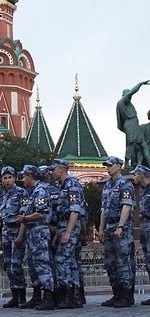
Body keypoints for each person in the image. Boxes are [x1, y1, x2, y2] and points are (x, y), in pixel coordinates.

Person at [15, 164, 55, 311]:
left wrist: (24, 218)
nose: (23, 179)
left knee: (42, 264)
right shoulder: (33, 192)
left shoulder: (41, 191)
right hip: (32, 232)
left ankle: (49, 297)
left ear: (30, 176)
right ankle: (37, 296)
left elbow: (41, 213)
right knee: (33, 266)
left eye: (24, 176)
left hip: (39, 231)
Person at [98, 156, 135, 307]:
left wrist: (120, 226)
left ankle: (127, 296)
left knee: (123, 262)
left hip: (122, 228)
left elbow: (127, 206)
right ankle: (117, 294)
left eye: (110, 165)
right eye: (106, 165)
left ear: (119, 166)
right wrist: (101, 228)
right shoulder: (107, 186)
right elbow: (103, 210)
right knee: (110, 263)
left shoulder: (124, 184)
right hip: (109, 227)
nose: (108, 168)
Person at [49, 158, 85, 309]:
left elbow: (75, 210)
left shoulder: (72, 184)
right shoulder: (61, 186)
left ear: (61, 169)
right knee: (70, 261)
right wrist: (59, 232)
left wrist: (68, 232)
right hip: (63, 224)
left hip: (70, 225)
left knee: (62, 259)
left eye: (54, 169)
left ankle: (70, 295)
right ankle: (74, 296)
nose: (52, 172)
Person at [0, 165, 28, 308]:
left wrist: (21, 234)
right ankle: (14, 296)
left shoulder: (21, 193)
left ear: (14, 178)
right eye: (5, 178)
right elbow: (2, 219)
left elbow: (24, 216)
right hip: (6, 232)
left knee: (16, 265)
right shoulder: (3, 195)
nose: (8, 180)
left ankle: (22, 296)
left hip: (17, 230)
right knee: (8, 266)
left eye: (10, 177)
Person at [116, 80, 150, 167]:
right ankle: (127, 163)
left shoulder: (123, 104)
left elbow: (120, 123)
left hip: (132, 124)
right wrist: (141, 84)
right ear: (125, 94)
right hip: (131, 124)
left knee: (143, 146)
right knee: (131, 144)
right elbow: (132, 91)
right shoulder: (123, 101)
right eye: (128, 93)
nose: (130, 96)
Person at [130, 164, 150, 305]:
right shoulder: (144, 191)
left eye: (135, 174)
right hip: (145, 226)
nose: (134, 177)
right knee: (148, 261)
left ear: (142, 175)